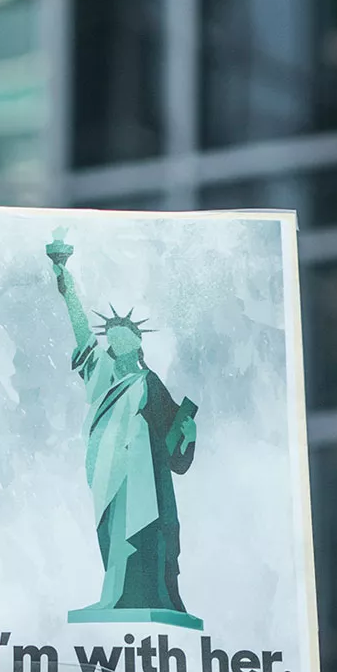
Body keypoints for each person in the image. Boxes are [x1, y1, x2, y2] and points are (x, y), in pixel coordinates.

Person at [45, 235, 198, 619]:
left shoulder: (150, 384)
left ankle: (154, 598)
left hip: (145, 473)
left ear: (137, 342)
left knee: (150, 530)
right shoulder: (102, 375)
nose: (118, 337)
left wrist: (188, 436)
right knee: (113, 532)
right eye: (112, 334)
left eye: (126, 333)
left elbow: (173, 440)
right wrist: (65, 281)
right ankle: (116, 597)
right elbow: (81, 329)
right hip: (108, 468)